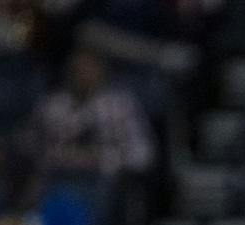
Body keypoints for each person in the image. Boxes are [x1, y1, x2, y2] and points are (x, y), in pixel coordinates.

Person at [21, 45, 154, 180]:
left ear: (101, 70)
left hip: (106, 182)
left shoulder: (121, 105)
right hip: (57, 177)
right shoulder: (51, 105)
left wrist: (100, 158)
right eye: (79, 69)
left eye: (89, 68)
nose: (84, 74)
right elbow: (28, 145)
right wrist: (61, 156)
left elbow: (142, 154)